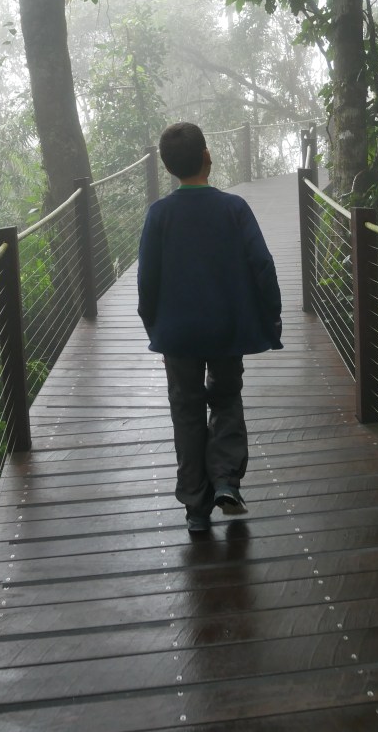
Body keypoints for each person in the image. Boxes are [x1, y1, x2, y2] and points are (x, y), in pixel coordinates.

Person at [137, 121, 283, 534]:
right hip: (225, 329)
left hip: (177, 335)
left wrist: (154, 324)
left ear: (168, 167)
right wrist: (269, 315)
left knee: (185, 410)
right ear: (207, 155)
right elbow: (262, 265)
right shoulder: (233, 208)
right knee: (225, 397)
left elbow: (147, 279)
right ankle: (226, 481)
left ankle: (196, 509)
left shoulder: (159, 215)